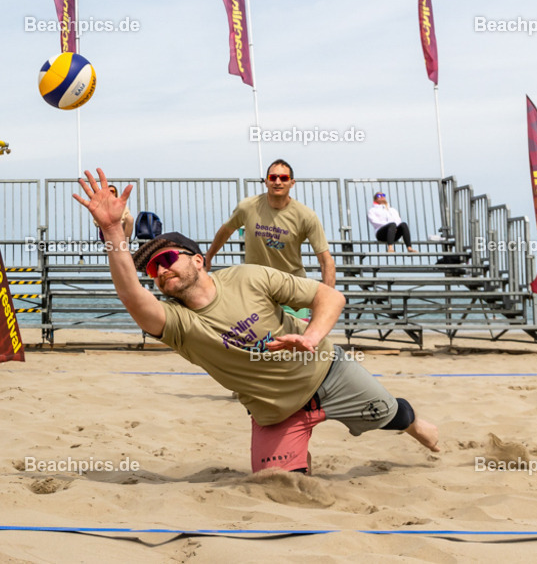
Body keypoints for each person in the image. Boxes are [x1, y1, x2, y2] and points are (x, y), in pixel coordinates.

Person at [74, 169, 439, 474]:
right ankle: (299, 452)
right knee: (281, 485)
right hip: (276, 413)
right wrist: (112, 232)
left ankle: (414, 422)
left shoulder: (247, 277)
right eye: (153, 268)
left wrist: (311, 337)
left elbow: (330, 296)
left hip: (329, 374)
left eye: (168, 257)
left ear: (198, 261)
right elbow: (131, 295)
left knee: (393, 414)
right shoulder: (179, 324)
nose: (161, 269)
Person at [205, 159, 335, 288]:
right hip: (257, 286)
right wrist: (209, 256)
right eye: (273, 177)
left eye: (284, 178)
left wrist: (329, 296)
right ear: (266, 182)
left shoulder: (306, 216)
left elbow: (325, 260)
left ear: (292, 183)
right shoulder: (248, 207)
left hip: (292, 287)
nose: (277, 182)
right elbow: (226, 230)